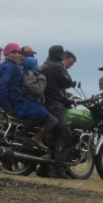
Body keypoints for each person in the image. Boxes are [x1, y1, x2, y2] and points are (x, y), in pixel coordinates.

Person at [0, 43, 58, 149]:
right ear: (6, 53)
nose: (17, 55)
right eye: (13, 52)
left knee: (39, 110)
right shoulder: (9, 67)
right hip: (17, 101)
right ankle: (25, 136)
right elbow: (2, 87)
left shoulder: (8, 65)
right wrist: (8, 107)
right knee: (47, 116)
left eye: (19, 52)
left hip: (17, 99)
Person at [37, 45, 77, 179]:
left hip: (46, 103)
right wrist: (63, 67)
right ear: (60, 55)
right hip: (54, 105)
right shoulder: (56, 66)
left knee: (52, 136)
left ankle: (44, 168)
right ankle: (58, 170)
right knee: (65, 133)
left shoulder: (45, 65)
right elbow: (67, 82)